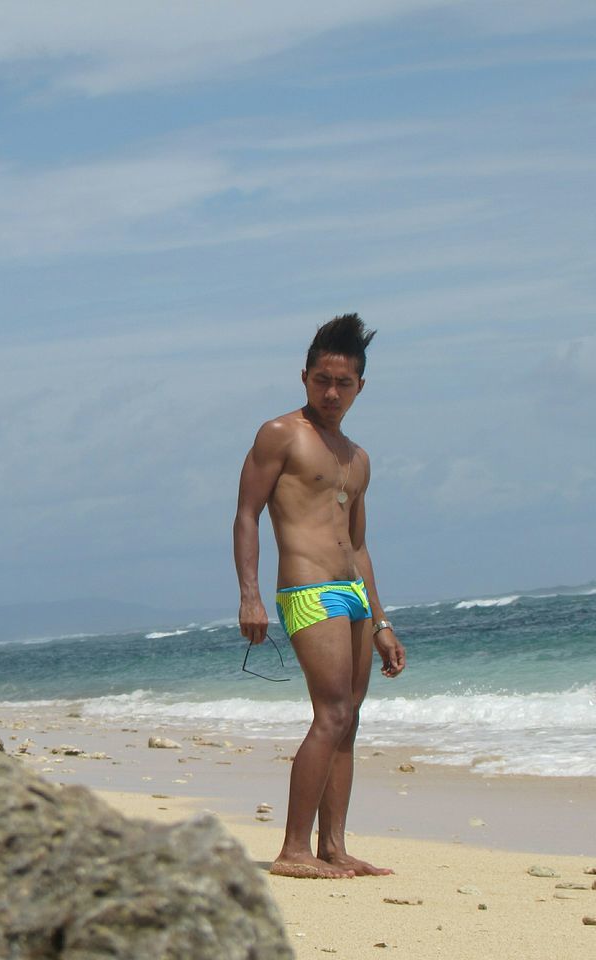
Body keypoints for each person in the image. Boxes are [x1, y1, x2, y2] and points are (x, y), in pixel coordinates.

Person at [233, 313, 406, 879]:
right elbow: (246, 515)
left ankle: (333, 846)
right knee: (330, 713)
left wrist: (381, 620)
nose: (331, 393)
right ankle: (293, 850)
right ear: (304, 377)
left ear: (360, 386)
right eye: (321, 381)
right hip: (308, 589)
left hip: (352, 591)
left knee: (349, 718)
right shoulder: (281, 434)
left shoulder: (357, 458)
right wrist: (250, 596)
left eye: (344, 384)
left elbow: (359, 545)